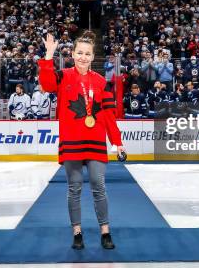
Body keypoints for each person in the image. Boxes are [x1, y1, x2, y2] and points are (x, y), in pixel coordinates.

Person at [38, 30, 125, 251]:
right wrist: (48, 56)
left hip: (95, 142)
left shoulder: (101, 82)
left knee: (99, 186)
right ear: (73, 54)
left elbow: (108, 115)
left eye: (87, 53)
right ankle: (77, 232)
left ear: (93, 57)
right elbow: (47, 84)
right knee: (74, 188)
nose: (83, 57)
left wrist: (117, 141)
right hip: (72, 142)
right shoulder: (63, 75)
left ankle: (105, 231)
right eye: (79, 53)